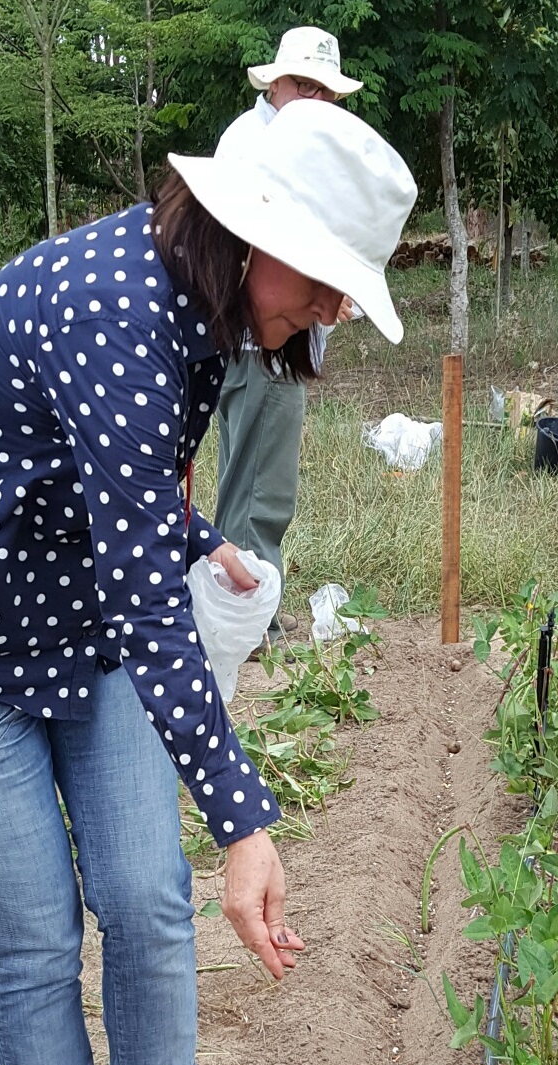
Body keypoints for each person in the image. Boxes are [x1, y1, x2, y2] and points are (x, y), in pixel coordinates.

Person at [0, 100, 416, 1065]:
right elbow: (144, 593)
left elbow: (104, 478)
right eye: (322, 281)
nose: (334, 310)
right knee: (37, 930)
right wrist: (247, 821)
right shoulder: (116, 306)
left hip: (79, 623)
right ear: (248, 230)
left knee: (148, 897)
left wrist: (190, 527)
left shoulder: (198, 306)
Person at [212, 27, 364, 643]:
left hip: (261, 336)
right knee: (261, 488)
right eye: (306, 86)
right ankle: (250, 619)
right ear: (276, 84)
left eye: (327, 91)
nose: (318, 101)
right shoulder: (261, 146)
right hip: (263, 342)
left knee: (244, 472)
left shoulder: (264, 138)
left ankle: (237, 606)